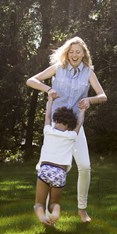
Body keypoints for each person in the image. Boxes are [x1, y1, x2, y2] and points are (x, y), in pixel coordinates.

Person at [27, 36, 107, 223]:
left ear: (83, 54)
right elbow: (31, 80)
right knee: (47, 167)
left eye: (78, 52)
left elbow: (103, 96)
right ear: (67, 53)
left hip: (75, 127)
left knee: (85, 166)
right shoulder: (58, 68)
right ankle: (47, 215)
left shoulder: (88, 72)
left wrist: (89, 100)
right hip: (56, 126)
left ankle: (82, 210)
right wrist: (48, 90)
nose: (74, 54)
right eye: (71, 51)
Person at [34, 95, 85, 226]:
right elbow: (79, 123)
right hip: (60, 173)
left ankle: (42, 218)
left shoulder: (48, 131)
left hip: (45, 169)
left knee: (39, 203)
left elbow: (47, 116)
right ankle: (55, 213)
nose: (56, 123)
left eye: (58, 122)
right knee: (54, 203)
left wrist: (50, 101)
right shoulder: (71, 135)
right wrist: (82, 111)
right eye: (56, 121)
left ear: (67, 125)